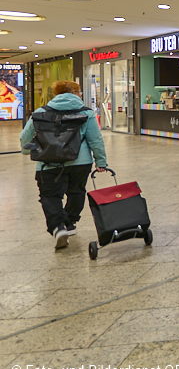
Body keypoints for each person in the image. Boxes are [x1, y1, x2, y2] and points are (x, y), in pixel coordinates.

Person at [20, 81, 108, 249]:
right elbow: (95, 139)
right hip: (80, 162)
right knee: (76, 192)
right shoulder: (86, 113)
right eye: (79, 91)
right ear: (75, 93)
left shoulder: (40, 112)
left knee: (50, 196)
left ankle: (58, 227)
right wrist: (101, 161)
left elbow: (25, 136)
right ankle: (70, 222)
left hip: (48, 162)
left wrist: (27, 151)